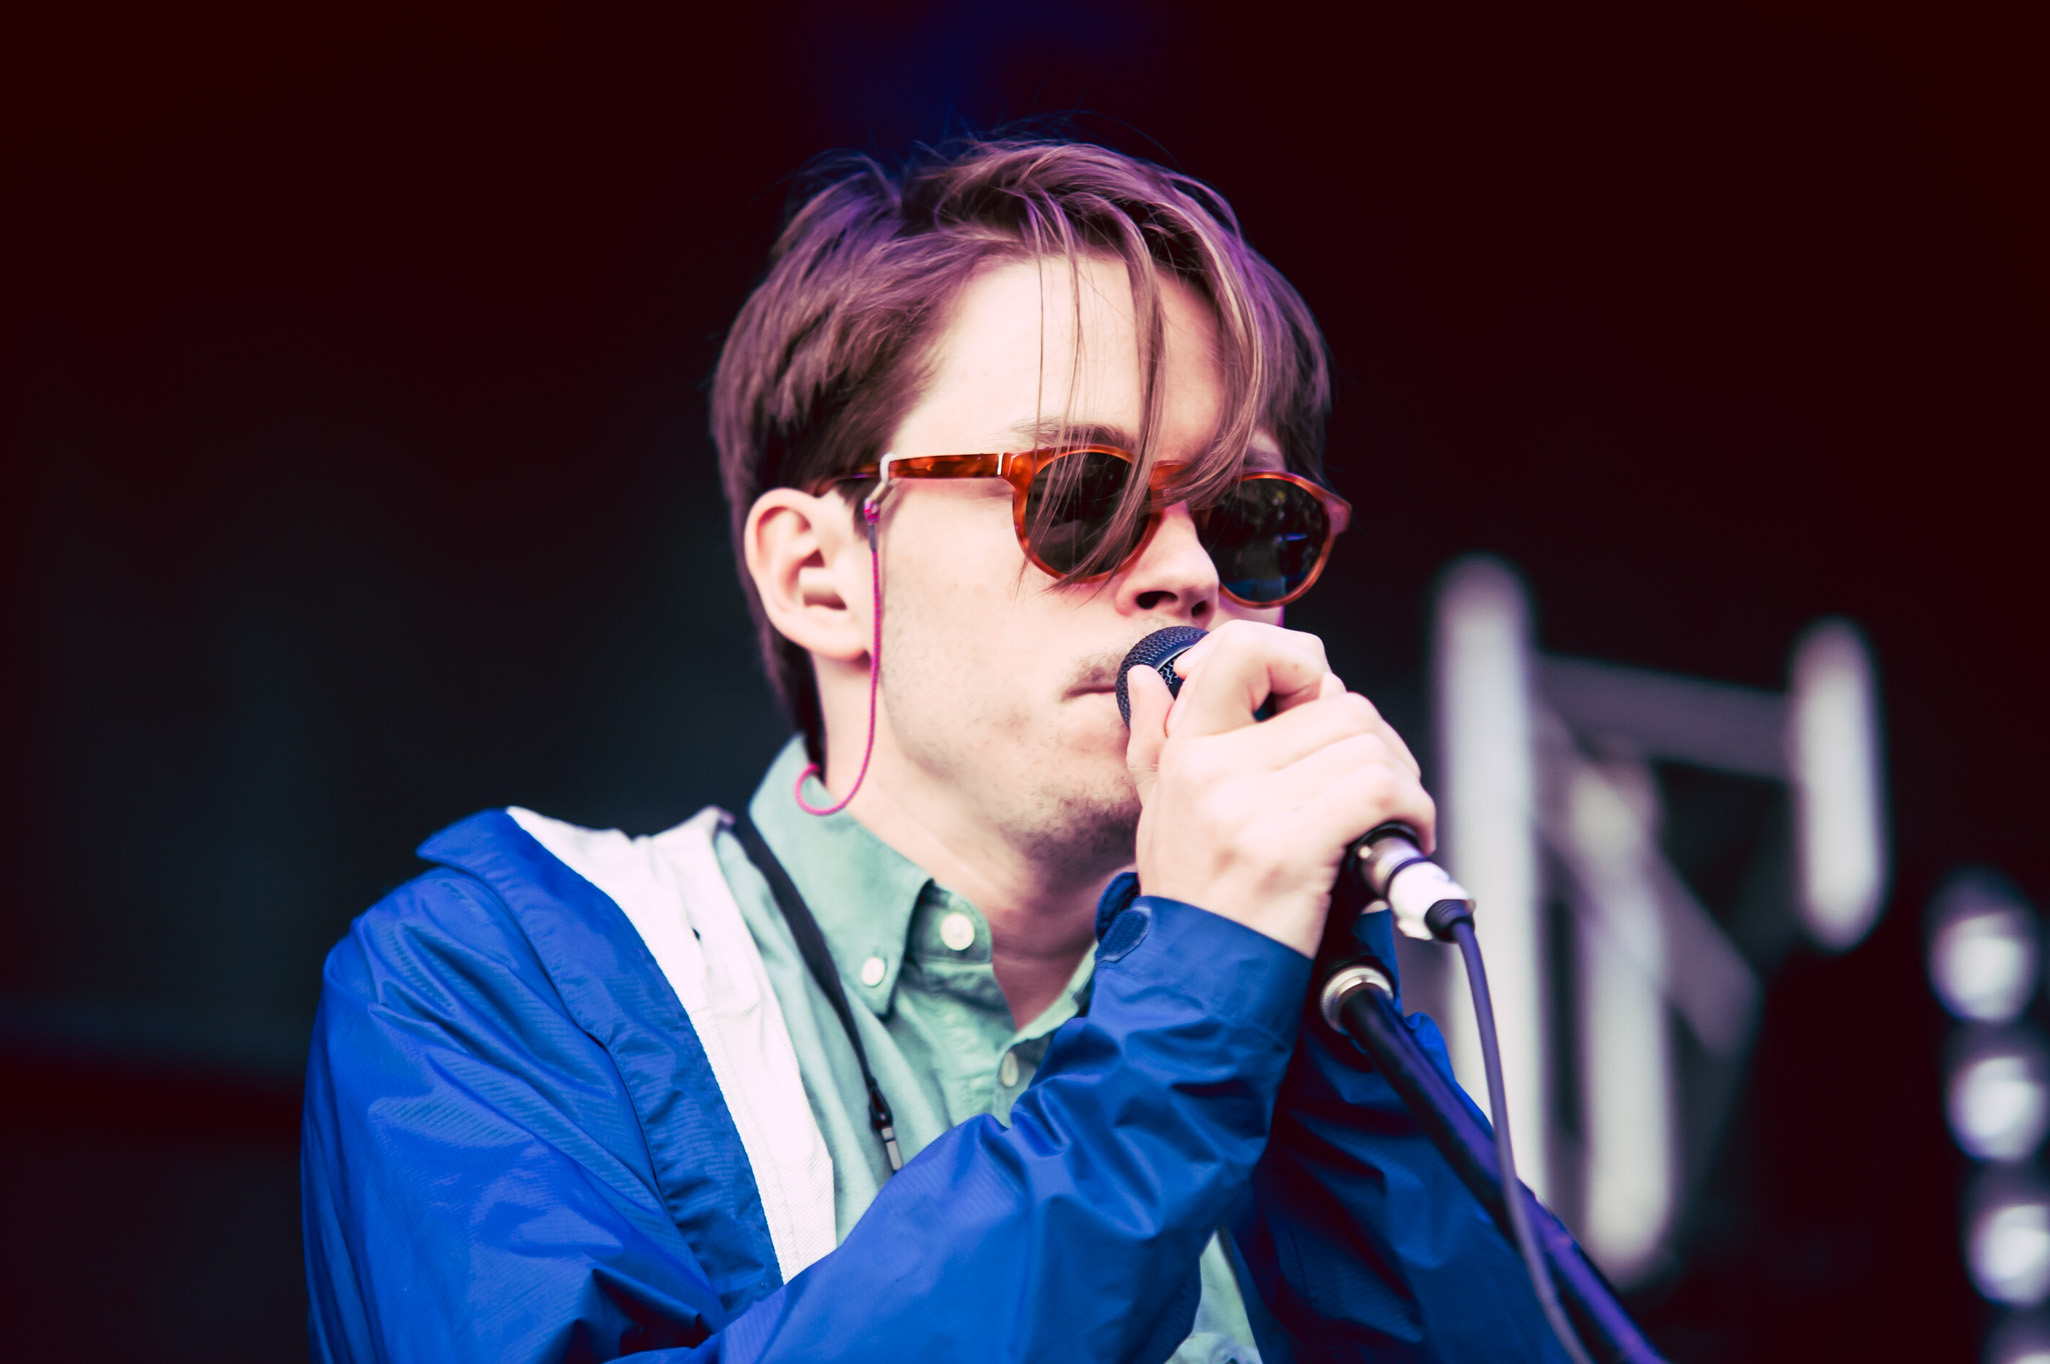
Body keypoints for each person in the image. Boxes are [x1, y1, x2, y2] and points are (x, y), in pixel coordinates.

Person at [302, 137, 1570, 1363]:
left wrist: (1329, 1044)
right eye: (1080, 494)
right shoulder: (487, 974)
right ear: (820, 575)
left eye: (1251, 518)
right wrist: (1184, 1022)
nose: (1189, 572)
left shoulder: (1290, 1029)